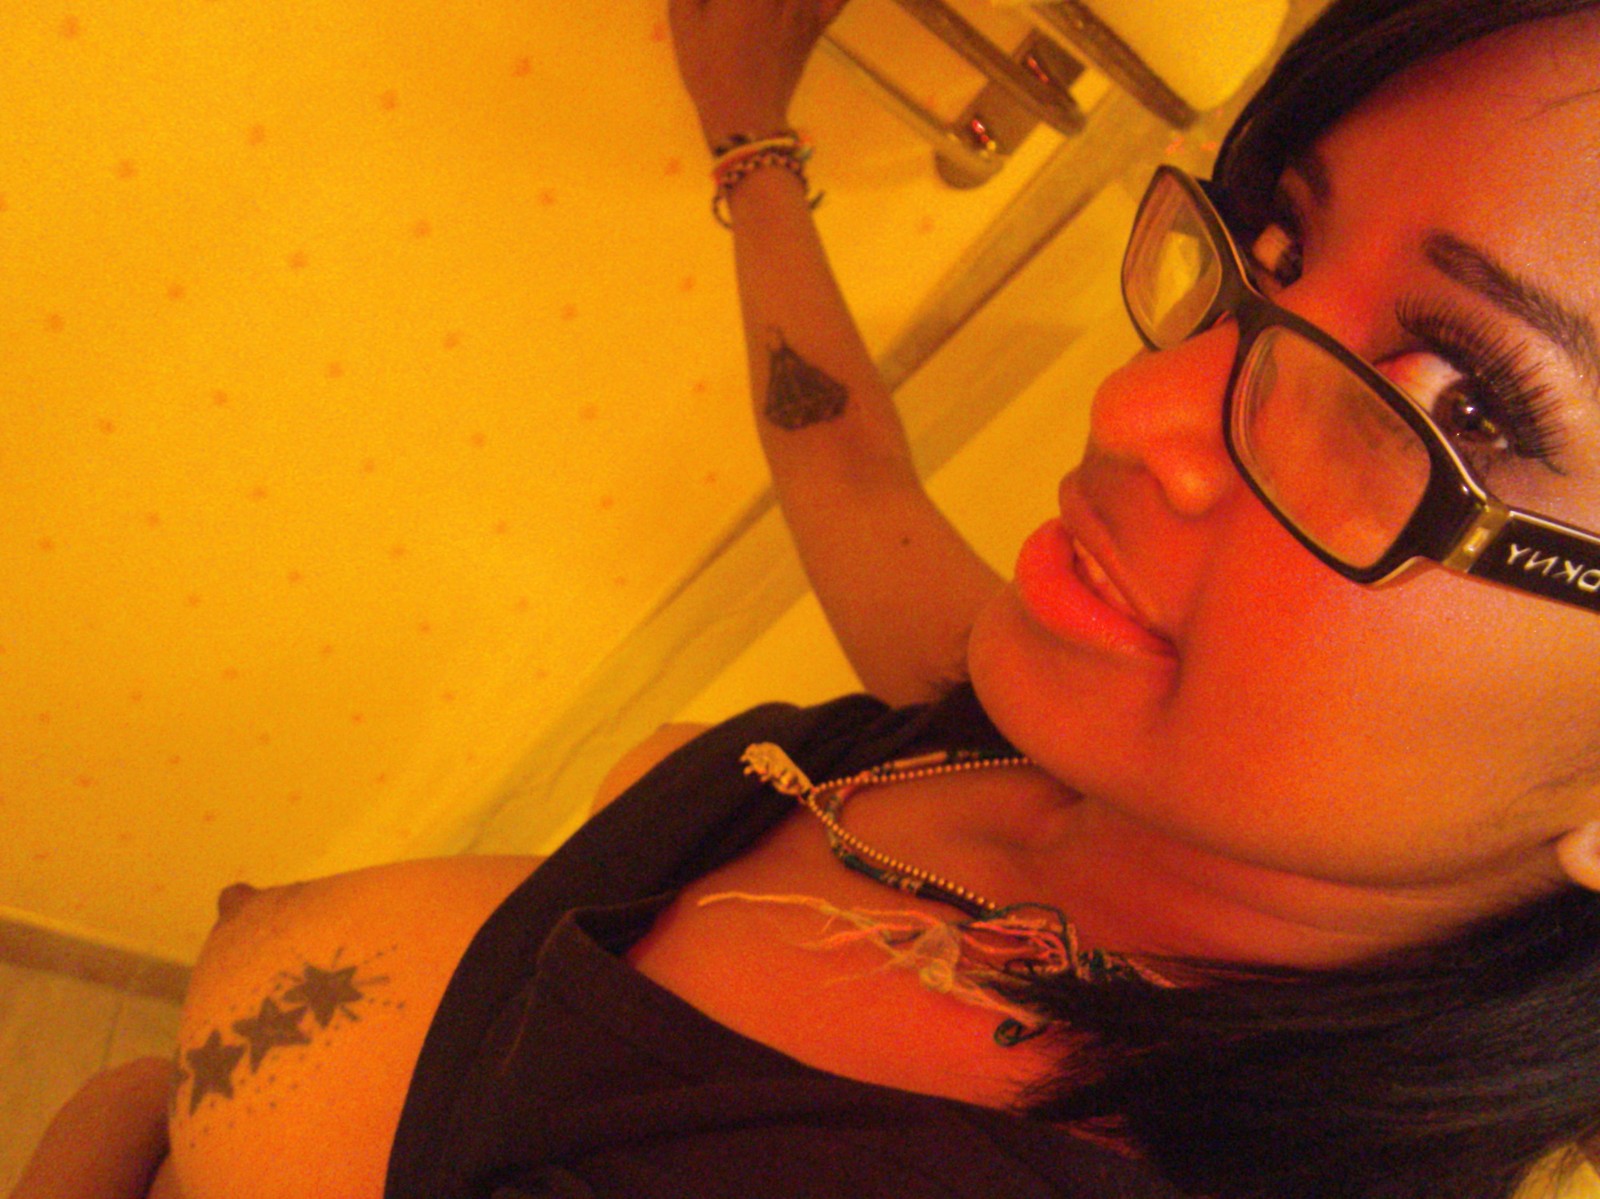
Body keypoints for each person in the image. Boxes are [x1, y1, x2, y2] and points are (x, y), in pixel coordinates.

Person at [14, 0, 1600, 1195]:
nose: (1138, 410)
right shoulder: (1081, 757)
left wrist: (112, 1128)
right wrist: (746, 129)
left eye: (1463, 404)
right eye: (1279, 250)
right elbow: (852, 476)